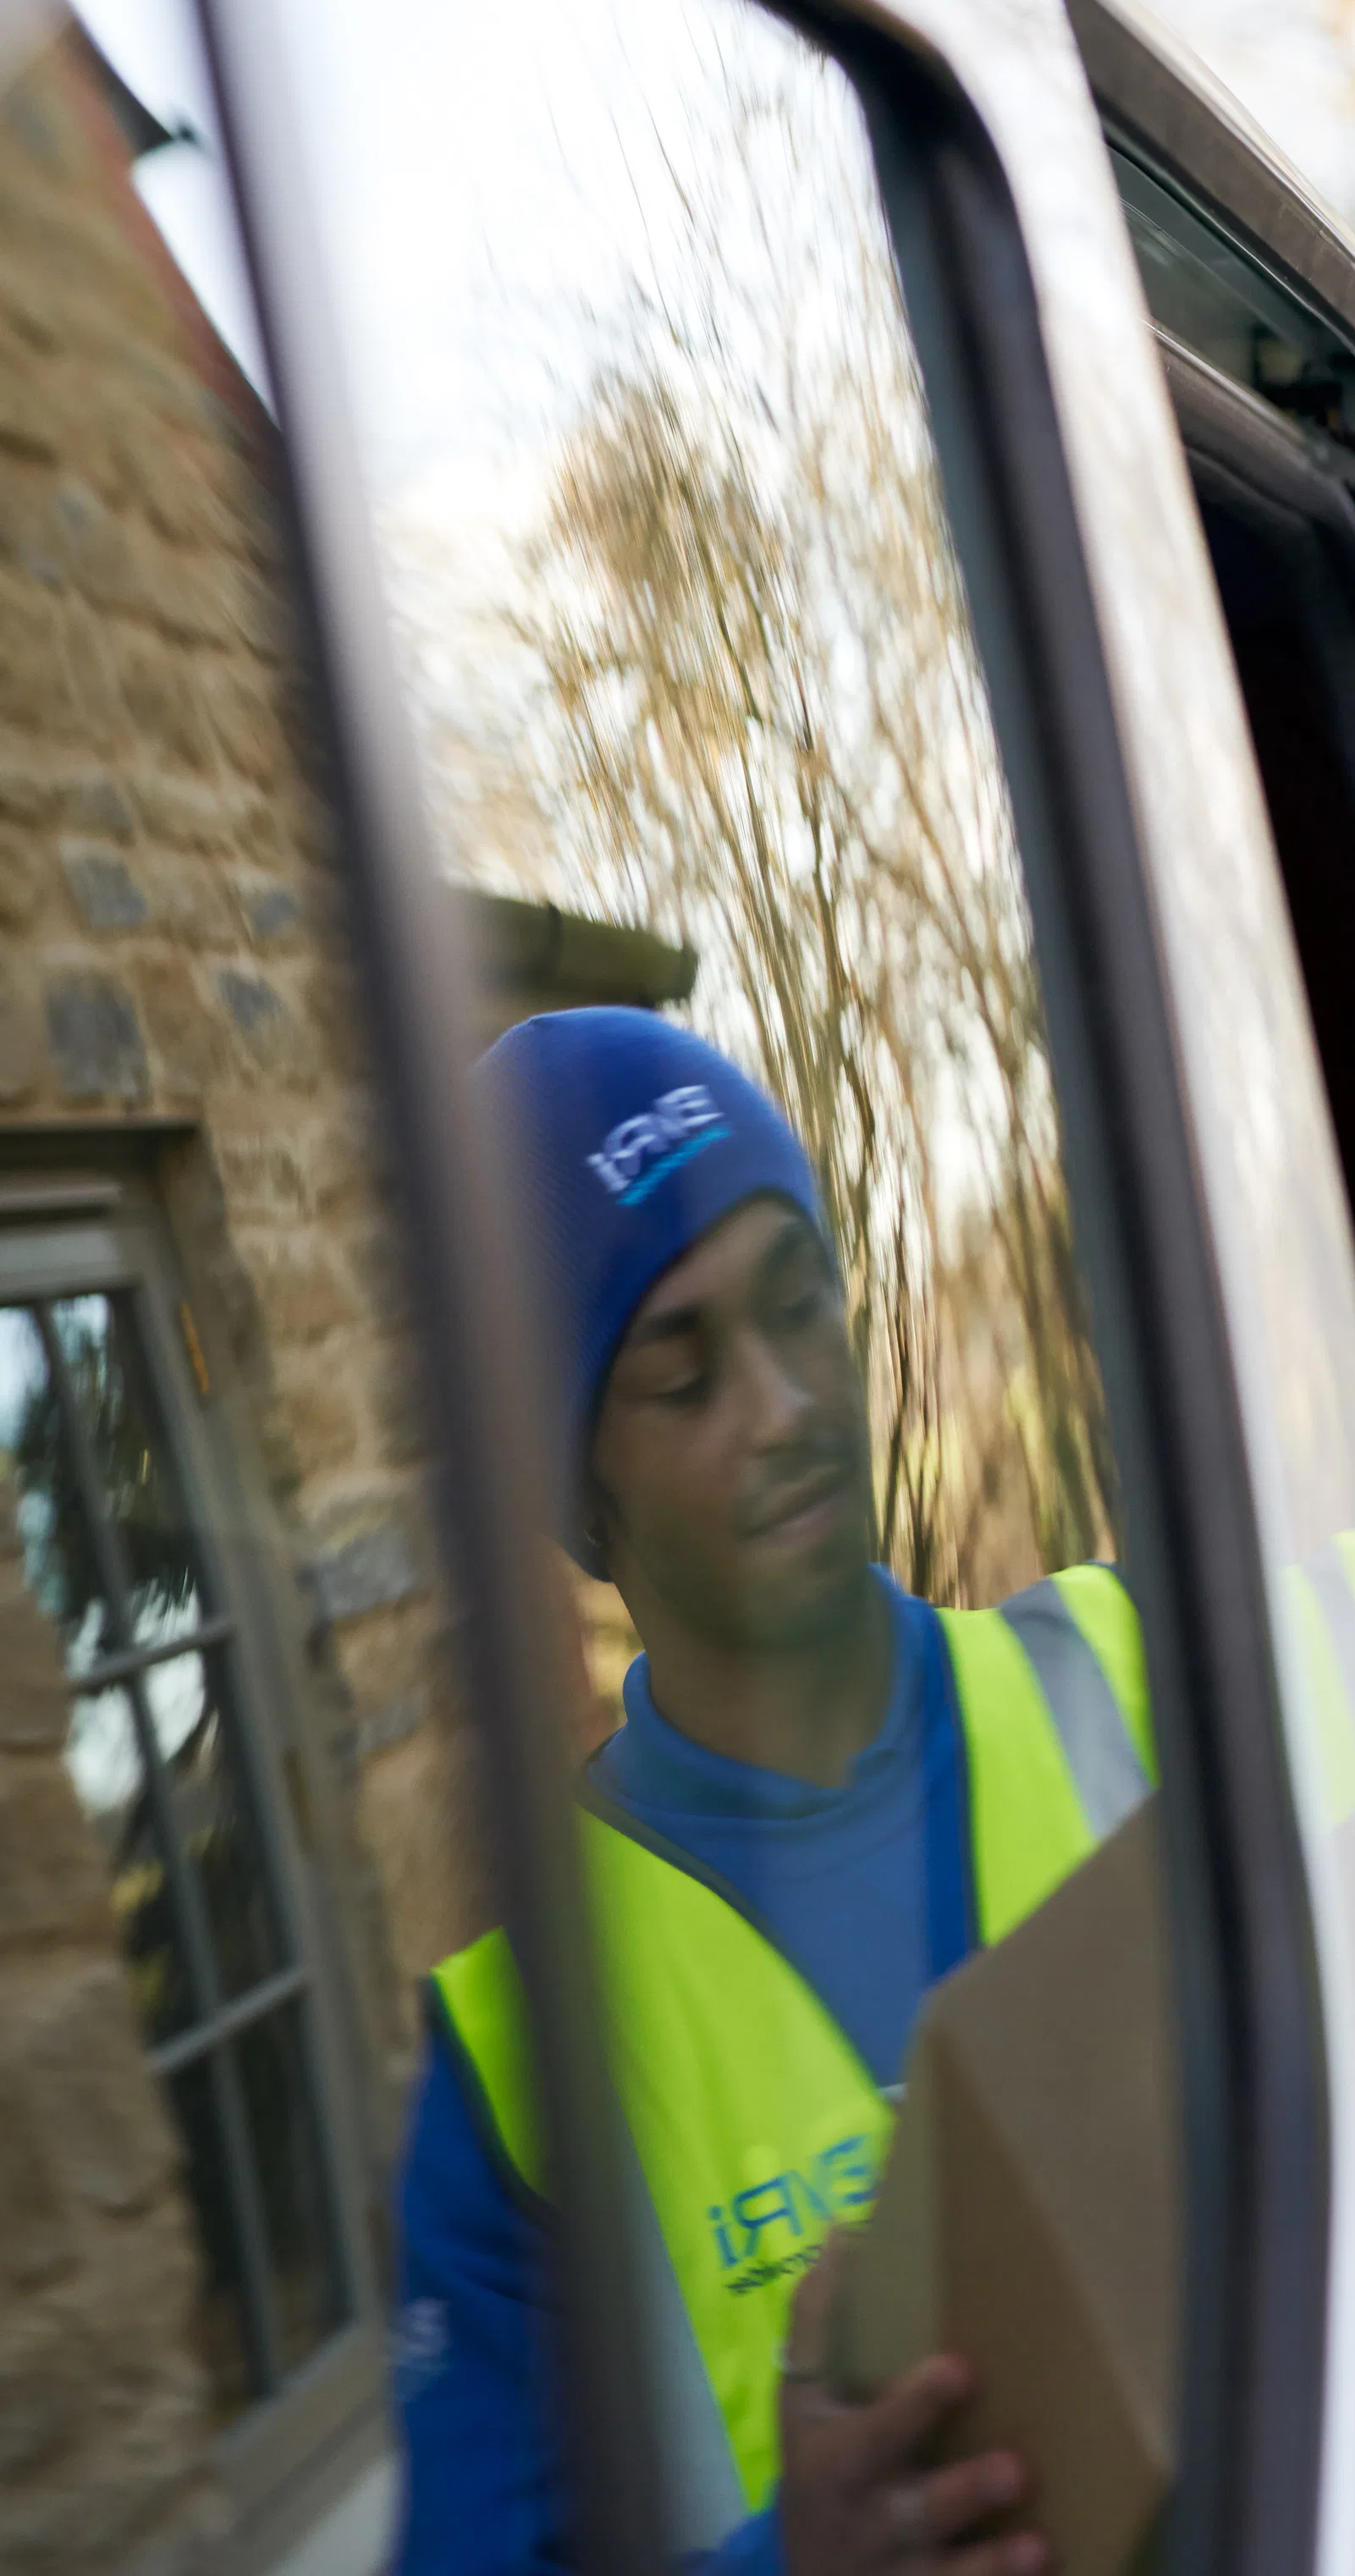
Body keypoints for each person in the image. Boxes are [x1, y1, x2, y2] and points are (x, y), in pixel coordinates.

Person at [394, 1011, 1146, 2575]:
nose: (786, 1403)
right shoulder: (511, 2074)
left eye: (800, 1307)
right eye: (680, 1375)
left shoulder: (1143, 1675)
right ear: (574, 1491)